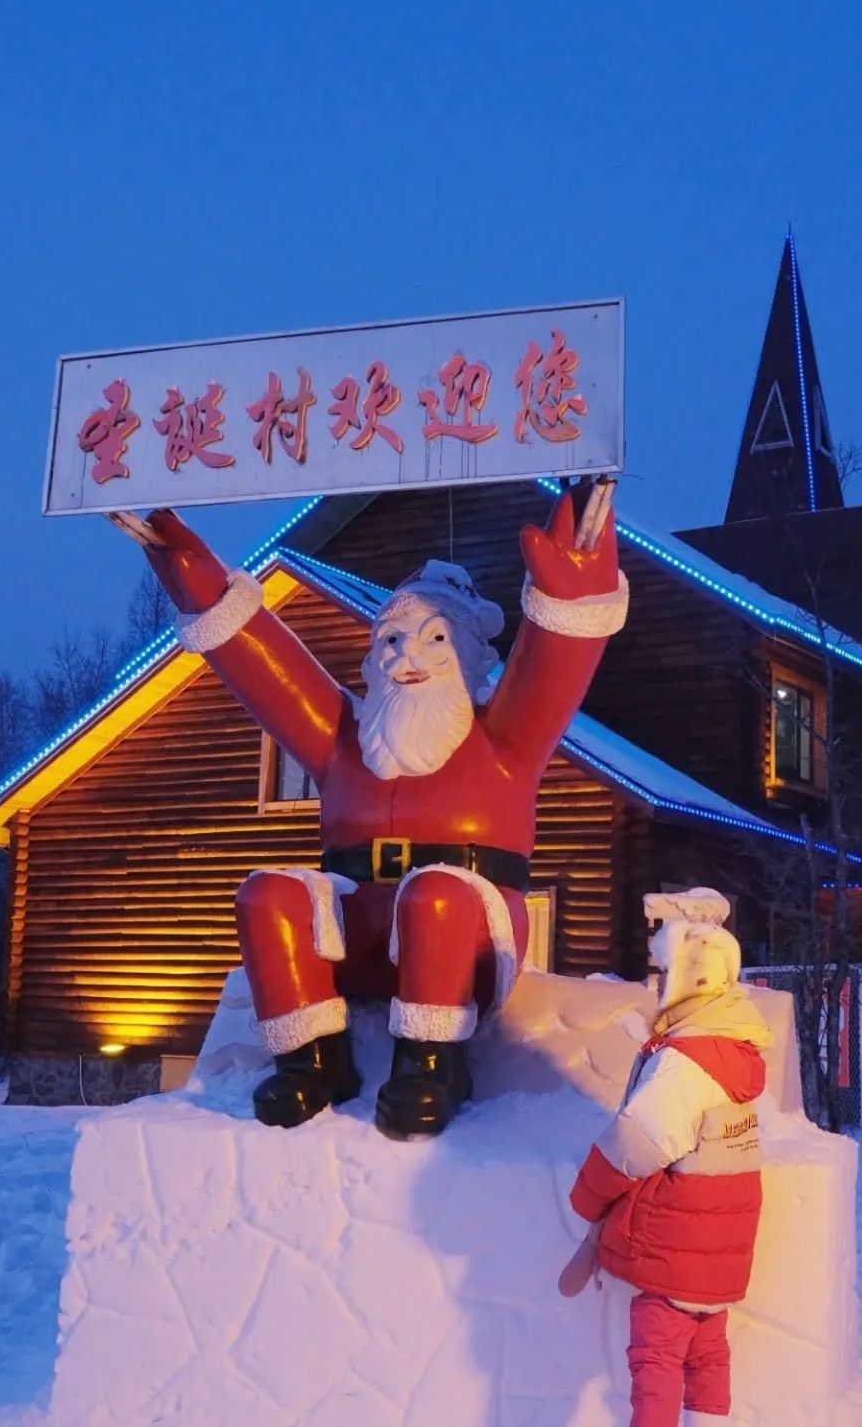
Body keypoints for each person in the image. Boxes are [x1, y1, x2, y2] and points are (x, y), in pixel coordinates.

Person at [128, 487, 628, 1137]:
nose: (405, 655)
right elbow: (269, 671)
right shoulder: (349, 746)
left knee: (435, 895)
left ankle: (433, 1063)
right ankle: (311, 1059)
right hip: (358, 932)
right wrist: (203, 589)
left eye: (433, 638)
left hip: (466, 932)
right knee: (268, 893)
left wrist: (570, 600)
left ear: (472, 659)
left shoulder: (502, 741)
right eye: (389, 639)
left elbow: (550, 672)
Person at [562, 888, 771, 1425]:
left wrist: (586, 1199)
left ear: (688, 979)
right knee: (707, 1354)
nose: (657, 986)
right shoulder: (731, 1051)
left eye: (663, 974)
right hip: (718, 1251)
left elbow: (638, 1142)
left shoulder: (686, 1064)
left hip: (677, 1249)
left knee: (655, 1356)